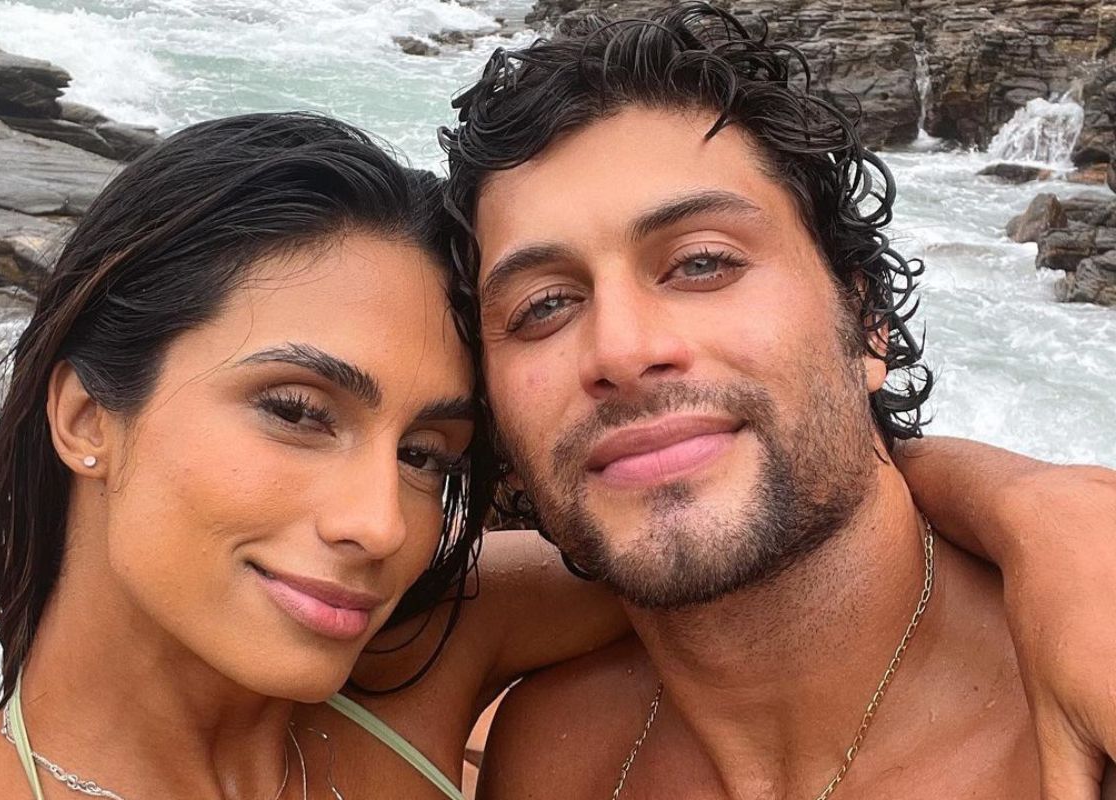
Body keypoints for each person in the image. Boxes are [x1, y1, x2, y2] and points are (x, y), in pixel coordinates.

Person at [0, 104, 1114, 800]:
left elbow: (748, 502)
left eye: (428, 454)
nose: (379, 524)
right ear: (86, 418)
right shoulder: (408, 656)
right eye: (294, 408)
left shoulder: (410, 658)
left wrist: (1048, 513)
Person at [438, 4, 1116, 798]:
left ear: (867, 325)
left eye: (702, 263)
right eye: (544, 306)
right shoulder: (550, 755)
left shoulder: (1085, 701)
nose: (620, 350)